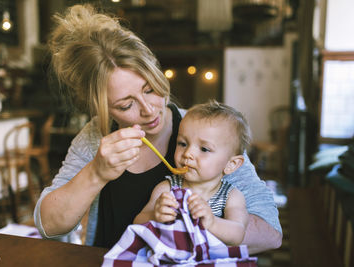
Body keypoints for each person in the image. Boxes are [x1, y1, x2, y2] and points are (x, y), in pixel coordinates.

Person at [34, 3, 282, 253]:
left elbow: (271, 232)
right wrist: (96, 173)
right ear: (101, 109)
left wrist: (202, 225)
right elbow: (49, 226)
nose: (149, 110)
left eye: (150, 89)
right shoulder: (94, 137)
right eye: (126, 105)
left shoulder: (210, 135)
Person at [134, 100, 250, 246]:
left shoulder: (231, 196)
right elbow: (137, 222)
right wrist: (154, 215)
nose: (188, 153)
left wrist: (212, 223)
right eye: (183, 144)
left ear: (231, 164)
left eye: (204, 149)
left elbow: (238, 234)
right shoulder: (167, 188)